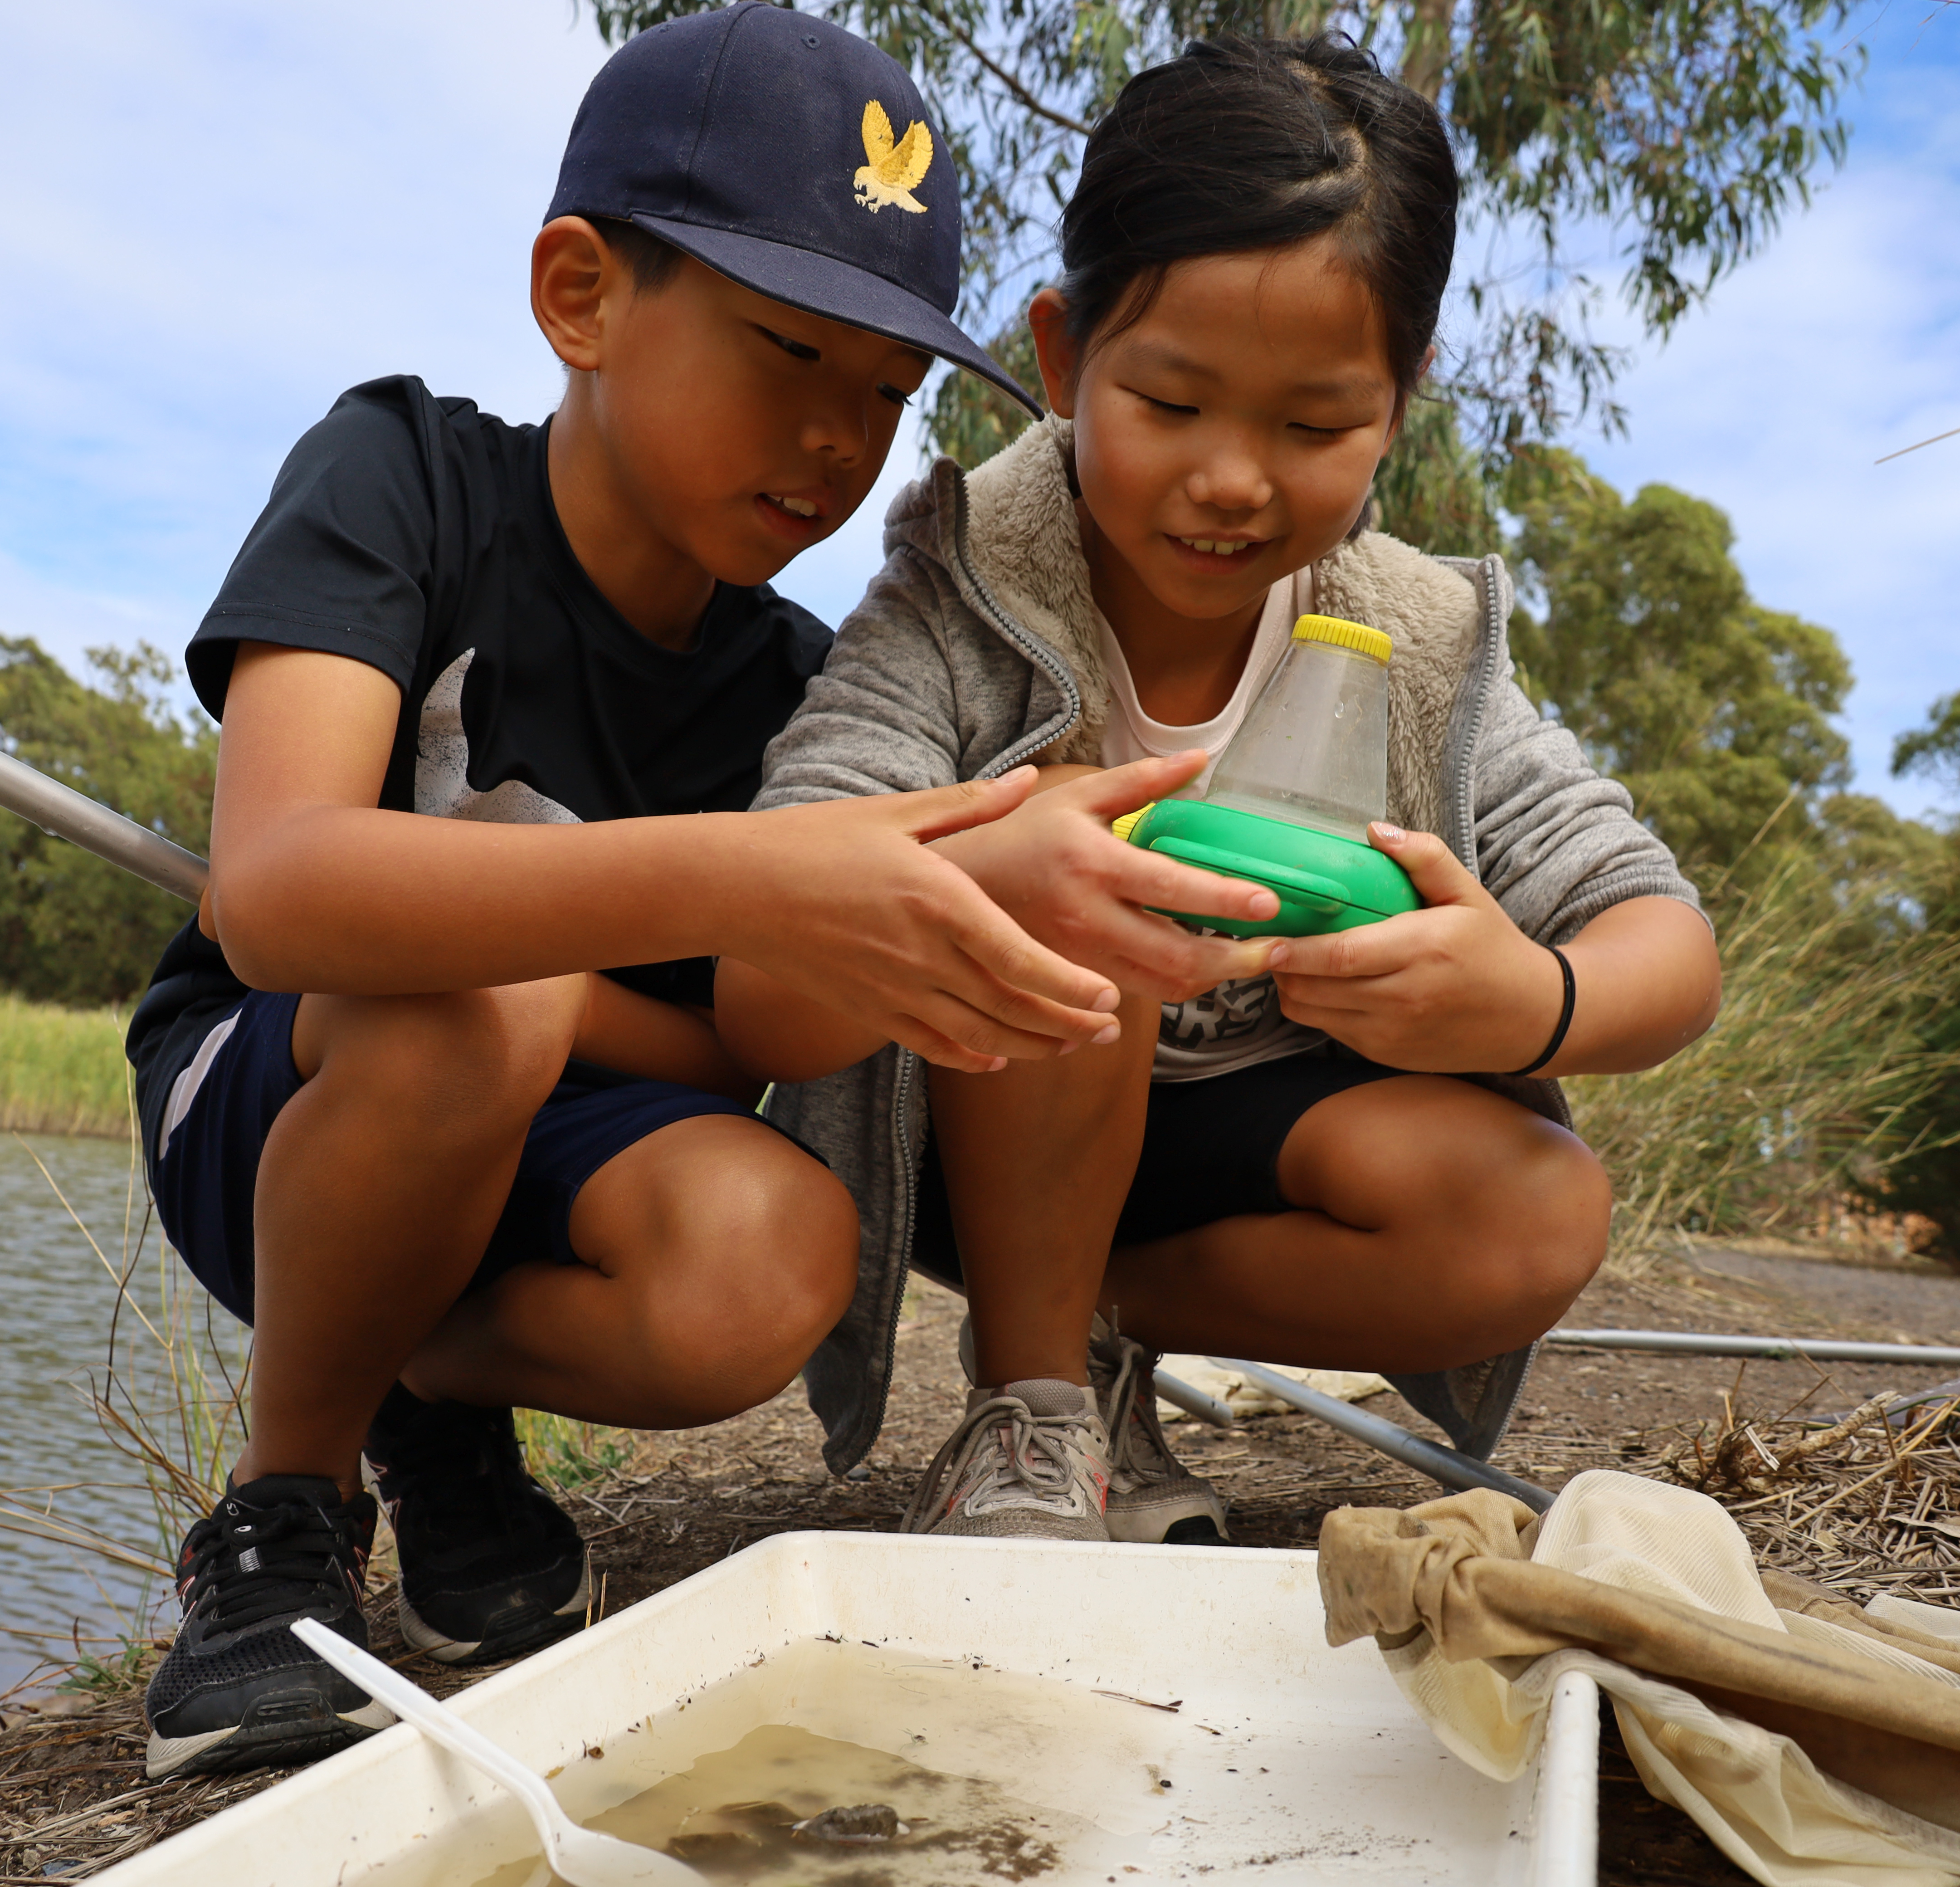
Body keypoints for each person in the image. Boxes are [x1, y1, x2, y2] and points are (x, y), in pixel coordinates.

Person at [120, 2, 1151, 1780]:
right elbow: (274, 893)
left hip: (561, 1130)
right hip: (277, 1091)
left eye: (885, 397)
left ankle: (428, 1404)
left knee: (772, 1251)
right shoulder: (404, 476)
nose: (839, 442)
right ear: (581, 294)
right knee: (476, 998)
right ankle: (281, 1514)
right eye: (786, 355)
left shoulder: (800, 685)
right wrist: (754, 874)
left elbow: (717, 1054)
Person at [717, 36, 1722, 1544]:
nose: (1236, 479)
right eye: (1174, 405)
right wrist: (995, 877)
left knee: (1535, 1215)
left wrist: (1530, 1002)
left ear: (1401, 399)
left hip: (1247, 1144)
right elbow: (770, 966)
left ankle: (1110, 1328)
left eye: (1315, 426)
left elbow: (1661, 938)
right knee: (1066, 854)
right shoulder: (959, 585)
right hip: (991, 1129)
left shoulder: (1425, 642)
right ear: (1063, 360)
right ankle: (1034, 1401)